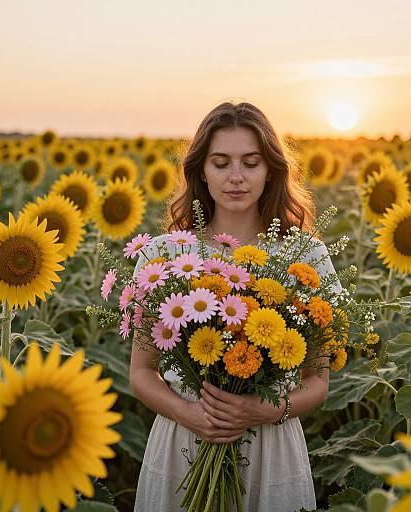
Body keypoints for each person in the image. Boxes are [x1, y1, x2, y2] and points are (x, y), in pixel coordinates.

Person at [130, 101, 341, 511]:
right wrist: (188, 412)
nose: (236, 177)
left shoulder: (305, 257)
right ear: (201, 171)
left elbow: (318, 382)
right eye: (221, 162)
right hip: (182, 444)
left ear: (271, 170)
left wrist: (262, 410)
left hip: (271, 449)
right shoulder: (164, 256)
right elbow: (141, 371)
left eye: (251, 162)